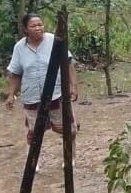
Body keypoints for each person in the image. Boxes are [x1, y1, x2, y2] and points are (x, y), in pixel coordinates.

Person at [5, 13, 79, 165]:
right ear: (25, 29)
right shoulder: (20, 47)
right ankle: (33, 162)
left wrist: (73, 86)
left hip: (56, 94)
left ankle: (69, 157)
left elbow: (68, 63)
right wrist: (11, 94)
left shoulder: (54, 41)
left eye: (40, 25)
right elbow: (15, 73)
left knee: (68, 129)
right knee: (33, 133)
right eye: (33, 26)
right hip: (32, 97)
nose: (38, 28)